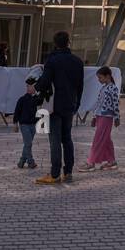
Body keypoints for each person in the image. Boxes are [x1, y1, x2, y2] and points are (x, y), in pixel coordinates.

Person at [35, 31, 84, 186]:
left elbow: (44, 82)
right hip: (70, 104)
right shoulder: (77, 61)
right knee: (67, 138)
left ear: (55, 43)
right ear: (68, 42)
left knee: (55, 140)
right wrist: (77, 103)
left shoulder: (52, 60)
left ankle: (55, 173)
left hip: (54, 105)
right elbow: (80, 85)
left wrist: (35, 85)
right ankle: (68, 171)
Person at [81, 66, 121, 170]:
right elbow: (98, 103)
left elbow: (116, 104)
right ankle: (112, 161)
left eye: (100, 77)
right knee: (106, 139)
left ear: (107, 76)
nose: (99, 80)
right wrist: (94, 116)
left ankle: (91, 162)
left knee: (98, 139)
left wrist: (117, 117)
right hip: (100, 116)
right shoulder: (103, 88)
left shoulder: (113, 88)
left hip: (107, 117)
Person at [13, 76, 40, 170]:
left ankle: (21, 161)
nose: (29, 88)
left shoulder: (37, 99)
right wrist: (15, 123)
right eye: (28, 86)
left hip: (33, 125)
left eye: (31, 86)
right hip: (24, 125)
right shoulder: (22, 99)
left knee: (27, 144)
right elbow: (17, 112)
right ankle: (30, 162)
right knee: (28, 143)